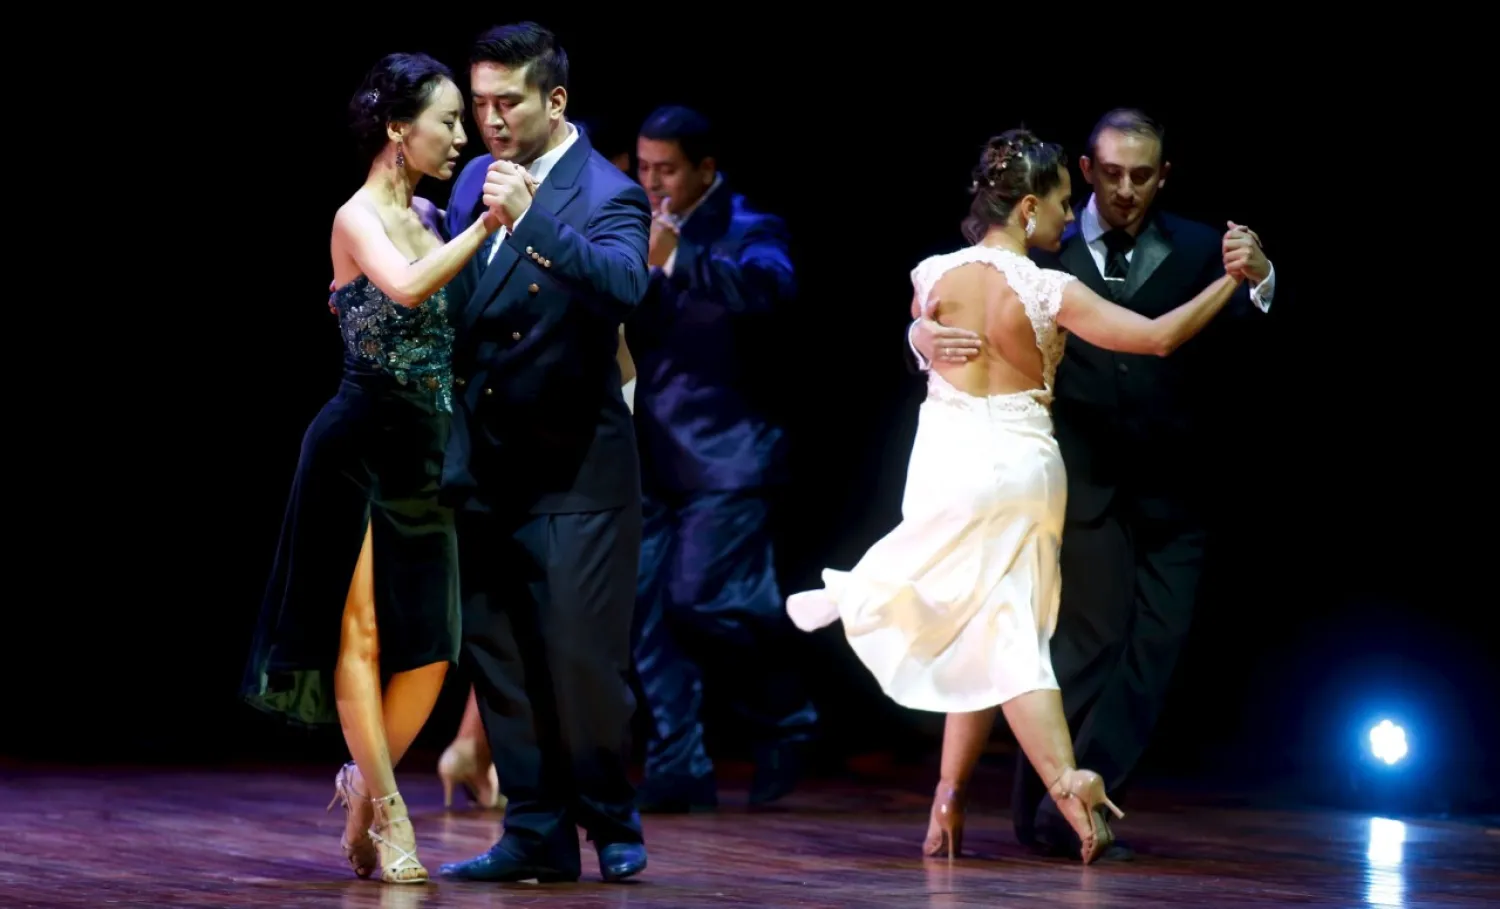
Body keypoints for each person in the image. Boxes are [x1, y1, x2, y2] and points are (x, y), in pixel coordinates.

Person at [787, 128, 1247, 865]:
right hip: (1024, 468)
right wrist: (1229, 282)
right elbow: (1158, 338)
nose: (1073, 216)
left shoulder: (931, 272)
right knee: (1004, 632)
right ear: (1028, 206)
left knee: (983, 625)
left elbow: (924, 327)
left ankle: (953, 794)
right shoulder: (1048, 286)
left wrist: (917, 333)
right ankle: (1067, 782)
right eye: (1065, 203)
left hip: (947, 462)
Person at [910, 109, 1277, 859]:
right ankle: (1059, 800)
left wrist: (1257, 278)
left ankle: (1014, 798)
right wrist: (918, 334)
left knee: (1082, 644)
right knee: (1062, 643)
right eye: (1108, 175)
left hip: (1141, 478)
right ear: (1070, 179)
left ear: (1164, 175)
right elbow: (1157, 337)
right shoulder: (1049, 264)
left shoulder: (1201, 246)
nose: (1122, 190)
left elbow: (937, 309)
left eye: (1141, 175)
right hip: (1067, 479)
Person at [241, 52, 507, 884]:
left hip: (426, 447)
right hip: (355, 444)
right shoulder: (356, 215)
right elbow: (402, 289)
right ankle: (394, 815)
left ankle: (362, 791)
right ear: (399, 129)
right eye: (449, 119)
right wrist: (484, 228)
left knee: (432, 645)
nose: (463, 135)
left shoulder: (431, 209)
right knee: (358, 632)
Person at [432, 23, 652, 885]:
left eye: (506, 102)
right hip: (486, 465)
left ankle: (611, 818)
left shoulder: (607, 192)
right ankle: (535, 831)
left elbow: (627, 285)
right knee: (505, 660)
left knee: (580, 662)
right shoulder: (470, 188)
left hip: (577, 472)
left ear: (554, 101)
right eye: (478, 102)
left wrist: (530, 223)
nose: (488, 120)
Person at [624, 104, 816, 812]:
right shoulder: (631, 223)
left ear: (704, 169)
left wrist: (671, 257)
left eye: (666, 170)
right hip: (649, 453)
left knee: (702, 598)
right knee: (646, 611)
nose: (653, 184)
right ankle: (679, 762)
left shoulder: (748, 226)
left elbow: (771, 288)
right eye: (643, 169)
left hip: (730, 452)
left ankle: (787, 715)